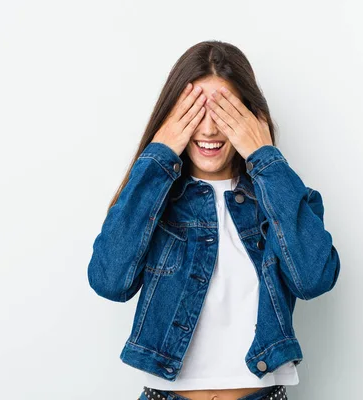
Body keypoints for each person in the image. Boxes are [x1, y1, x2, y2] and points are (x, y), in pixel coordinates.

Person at [87, 40, 341, 400]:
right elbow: (109, 281)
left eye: (223, 112)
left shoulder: (283, 197)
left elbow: (314, 279)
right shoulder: (154, 202)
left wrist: (264, 156)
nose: (208, 130)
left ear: (251, 117)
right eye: (194, 112)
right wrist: (158, 155)